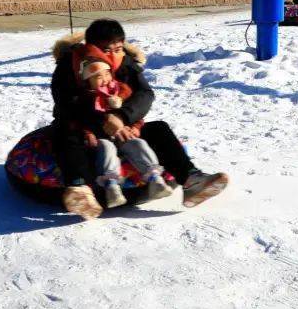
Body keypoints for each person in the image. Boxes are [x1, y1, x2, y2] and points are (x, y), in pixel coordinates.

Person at [50, 19, 229, 219]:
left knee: (159, 129)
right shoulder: (70, 64)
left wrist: (122, 117)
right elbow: (66, 101)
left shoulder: (126, 63)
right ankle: (80, 188)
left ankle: (190, 180)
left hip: (123, 126)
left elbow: (145, 94)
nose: (113, 56)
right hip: (84, 126)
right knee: (63, 134)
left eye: (118, 49)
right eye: (105, 50)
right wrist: (102, 121)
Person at [77, 58, 171, 208]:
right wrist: (88, 134)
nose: (104, 79)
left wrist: (135, 127)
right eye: (98, 77)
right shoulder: (86, 99)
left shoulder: (121, 92)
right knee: (107, 149)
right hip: (102, 136)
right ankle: (112, 186)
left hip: (124, 134)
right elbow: (83, 119)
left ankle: (154, 178)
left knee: (138, 144)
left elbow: (135, 114)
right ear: (88, 81)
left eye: (107, 74)